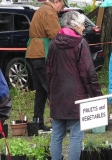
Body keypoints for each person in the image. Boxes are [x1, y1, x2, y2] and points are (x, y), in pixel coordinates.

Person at [46, 11, 103, 159]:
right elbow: (88, 72)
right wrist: (97, 94)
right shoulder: (80, 43)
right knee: (76, 135)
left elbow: (48, 71)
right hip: (76, 95)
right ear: (74, 24)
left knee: (57, 135)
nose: (84, 27)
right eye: (82, 24)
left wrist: (50, 94)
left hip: (58, 95)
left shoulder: (53, 42)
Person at [25, 0, 68, 131]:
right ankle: (62, 122)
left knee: (41, 91)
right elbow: (55, 34)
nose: (62, 9)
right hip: (42, 54)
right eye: (62, 5)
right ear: (57, 1)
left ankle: (37, 122)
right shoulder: (49, 12)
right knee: (52, 88)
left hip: (34, 54)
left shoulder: (41, 9)